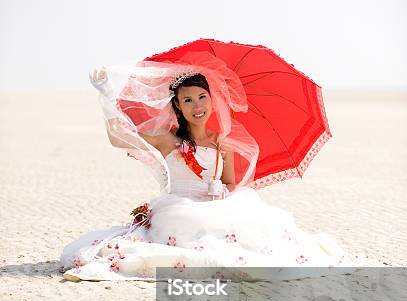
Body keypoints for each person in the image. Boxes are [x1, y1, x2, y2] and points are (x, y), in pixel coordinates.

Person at [60, 64, 366, 282]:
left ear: (211, 100)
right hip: (178, 204)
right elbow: (118, 138)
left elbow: (231, 183)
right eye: (188, 100)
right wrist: (106, 95)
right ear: (178, 106)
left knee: (261, 224)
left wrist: (222, 190)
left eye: (202, 98)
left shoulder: (223, 144)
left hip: (215, 204)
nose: (197, 106)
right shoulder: (169, 139)